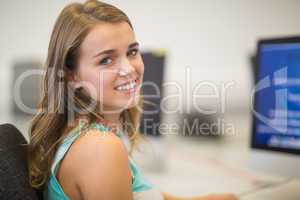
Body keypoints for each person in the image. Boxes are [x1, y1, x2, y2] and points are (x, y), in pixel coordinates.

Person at [27, 1, 238, 200]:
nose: (129, 69)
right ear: (72, 76)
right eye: (106, 60)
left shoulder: (90, 132)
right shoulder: (100, 147)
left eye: (132, 52)